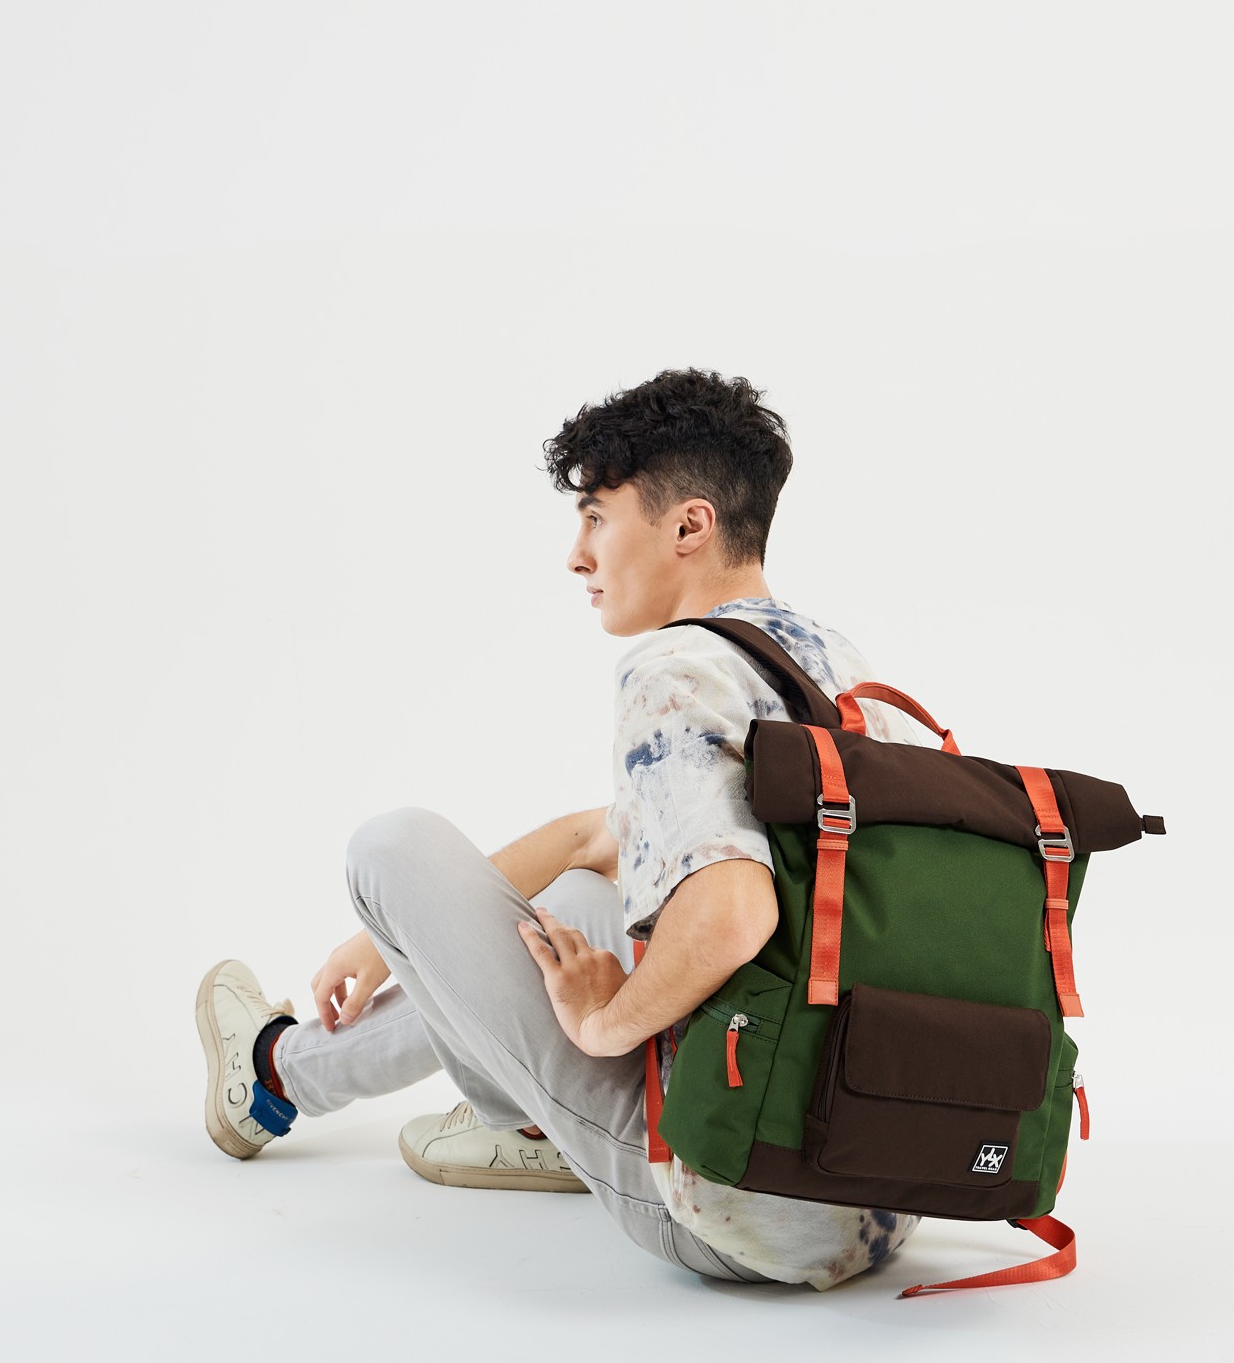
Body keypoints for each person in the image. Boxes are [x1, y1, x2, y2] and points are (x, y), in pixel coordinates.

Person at [195, 367, 925, 1289]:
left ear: (689, 527)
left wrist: (602, 1022)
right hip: (875, 1202)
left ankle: (274, 1076)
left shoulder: (677, 669)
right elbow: (597, 839)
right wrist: (385, 945)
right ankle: (496, 1119)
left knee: (391, 847)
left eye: (596, 516)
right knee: (577, 901)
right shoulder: (844, 678)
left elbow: (733, 914)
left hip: (722, 1199)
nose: (577, 556)